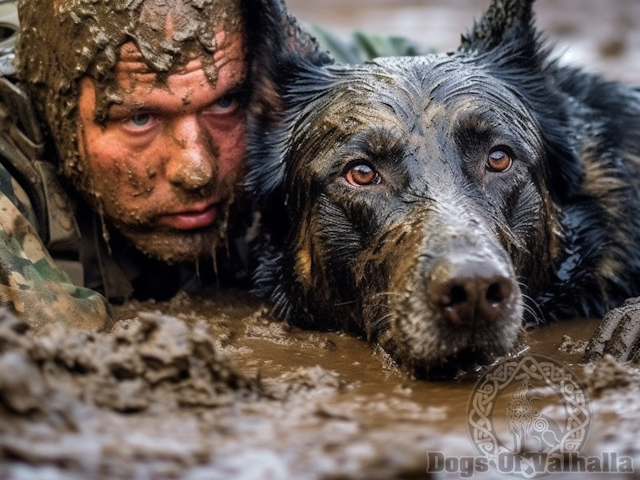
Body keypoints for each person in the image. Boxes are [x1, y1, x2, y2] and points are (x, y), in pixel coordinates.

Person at [0, 0, 428, 332]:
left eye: (225, 103)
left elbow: (460, 84)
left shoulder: (286, 74)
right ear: (55, 110)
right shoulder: (17, 126)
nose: (197, 169)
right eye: (139, 119)